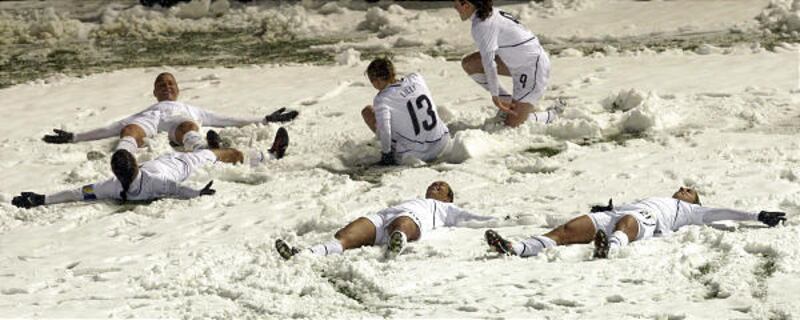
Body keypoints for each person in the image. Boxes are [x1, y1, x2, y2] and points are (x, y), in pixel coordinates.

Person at [11, 127, 289, 208]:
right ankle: (272, 156)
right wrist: (199, 195)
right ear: (133, 165)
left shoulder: (110, 186)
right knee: (225, 154)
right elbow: (179, 190)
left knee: (205, 148)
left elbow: (75, 193)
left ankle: (208, 143)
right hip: (182, 163)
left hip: (165, 162)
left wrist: (41, 199)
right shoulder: (154, 183)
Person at [485, 187, 788, 259]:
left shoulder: (690, 211)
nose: (683, 188)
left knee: (629, 221)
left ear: (694, 200)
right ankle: (518, 246)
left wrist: (757, 215)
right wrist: (609, 208)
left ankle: (611, 249)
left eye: (689, 189)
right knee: (568, 229)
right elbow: (624, 209)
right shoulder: (657, 195)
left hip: (645, 221)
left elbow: (723, 212)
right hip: (618, 213)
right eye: (683, 186)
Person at [42, 72, 298, 156]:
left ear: (177, 90)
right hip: (150, 124)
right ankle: (124, 160)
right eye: (161, 85)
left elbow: (226, 118)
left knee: (188, 125)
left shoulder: (189, 108)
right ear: (155, 92)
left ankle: (204, 152)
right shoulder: (146, 111)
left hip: (179, 126)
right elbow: (108, 127)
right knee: (128, 130)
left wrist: (264, 119)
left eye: (170, 84)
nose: (166, 87)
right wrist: (74, 137)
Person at [275, 181, 495, 259]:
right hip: (382, 217)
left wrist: (508, 220)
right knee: (345, 236)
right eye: (433, 184)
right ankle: (305, 254)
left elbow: (475, 219)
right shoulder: (415, 199)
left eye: (441, 186)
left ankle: (397, 241)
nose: (435, 186)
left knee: (403, 222)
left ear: (448, 197)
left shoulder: (447, 209)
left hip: (411, 220)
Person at [454, 0, 561, 127]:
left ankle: (553, 114)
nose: (455, 8)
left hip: (533, 69)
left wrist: (495, 96)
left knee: (512, 126)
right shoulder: (489, 13)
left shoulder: (482, 25)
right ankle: (510, 103)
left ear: (466, 5)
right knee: (470, 63)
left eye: (456, 5)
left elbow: (489, 64)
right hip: (519, 62)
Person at [360, 58, 451, 166]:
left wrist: (386, 154)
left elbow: (385, 129)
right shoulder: (416, 78)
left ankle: (394, 148)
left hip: (415, 155)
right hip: (442, 143)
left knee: (368, 112)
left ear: (377, 80)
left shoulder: (382, 99)